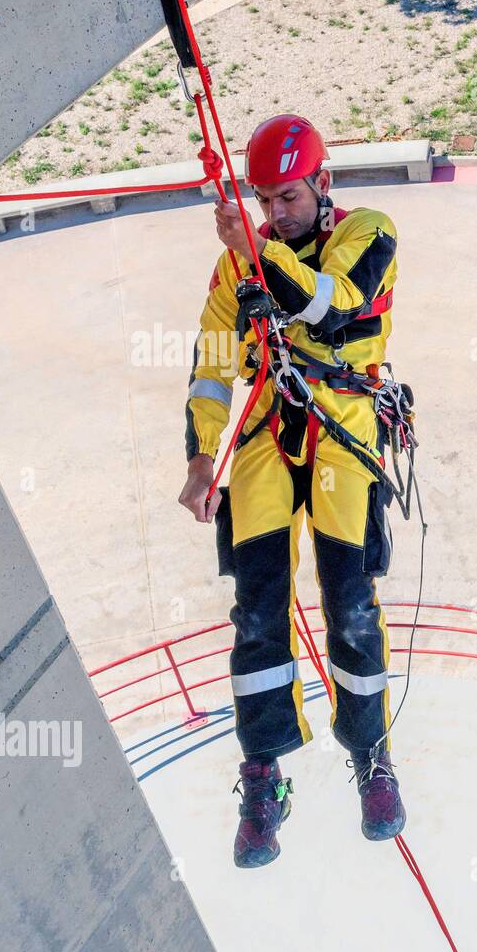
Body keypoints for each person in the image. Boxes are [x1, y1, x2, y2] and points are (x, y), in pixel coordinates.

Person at [178, 114, 406, 868]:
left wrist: (259, 250)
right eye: (265, 200)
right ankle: (263, 774)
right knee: (256, 617)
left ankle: (372, 754)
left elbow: (333, 306)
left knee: (349, 604)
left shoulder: (370, 232)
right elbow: (214, 360)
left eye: (288, 198)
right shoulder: (234, 269)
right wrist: (200, 454)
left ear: (324, 183)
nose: (276, 212)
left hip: (340, 425)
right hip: (265, 434)